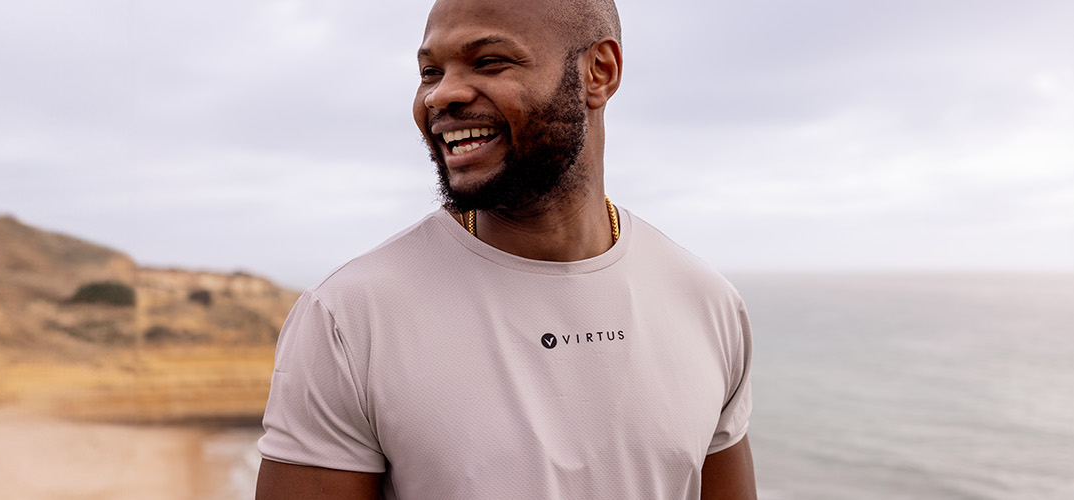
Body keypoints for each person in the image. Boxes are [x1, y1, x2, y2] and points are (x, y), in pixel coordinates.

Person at [254, 0, 756, 497]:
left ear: (599, 72)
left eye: (489, 61)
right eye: (430, 71)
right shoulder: (349, 318)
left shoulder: (708, 304)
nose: (440, 96)